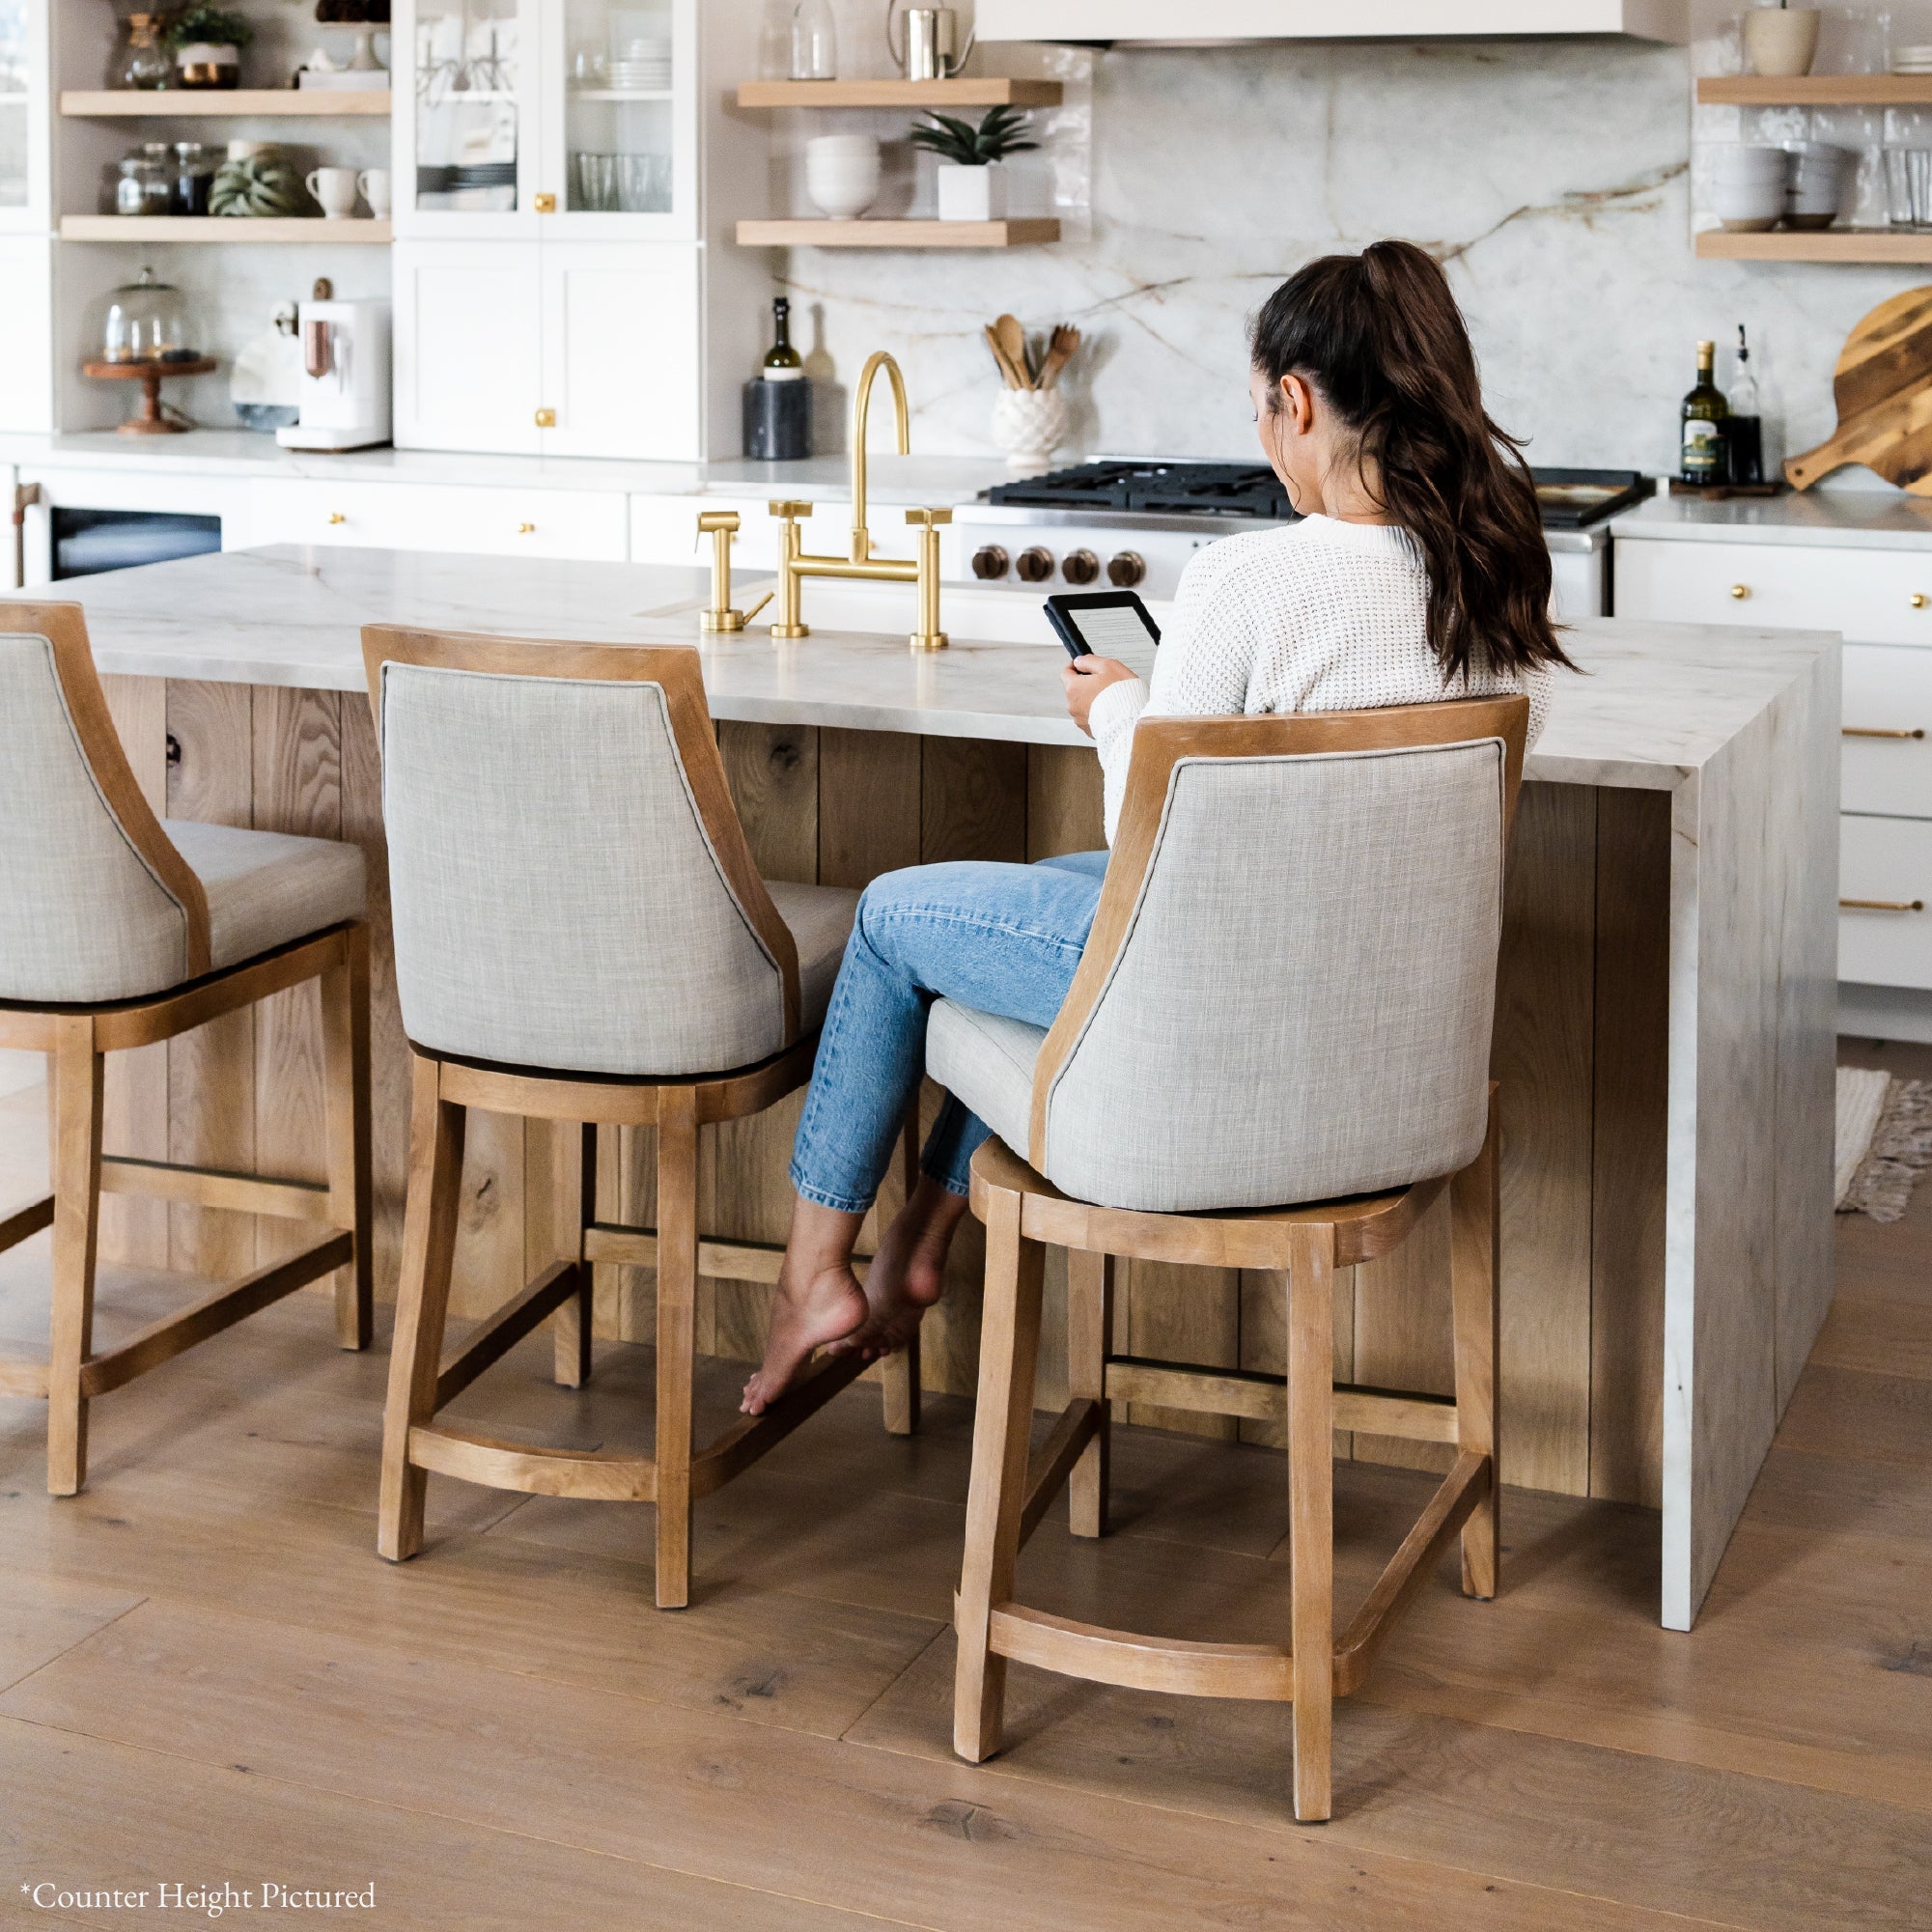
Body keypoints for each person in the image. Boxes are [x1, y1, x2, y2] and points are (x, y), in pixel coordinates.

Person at [741, 238, 1576, 1415]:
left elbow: (1156, 822)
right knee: (1020, 900)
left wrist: (1116, 702)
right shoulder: (1491, 575)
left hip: (1210, 1027)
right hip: (1391, 1061)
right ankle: (913, 1248)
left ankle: (810, 1277)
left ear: (1295, 400)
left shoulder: (1254, 583)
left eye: (1260, 412)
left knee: (893, 921)